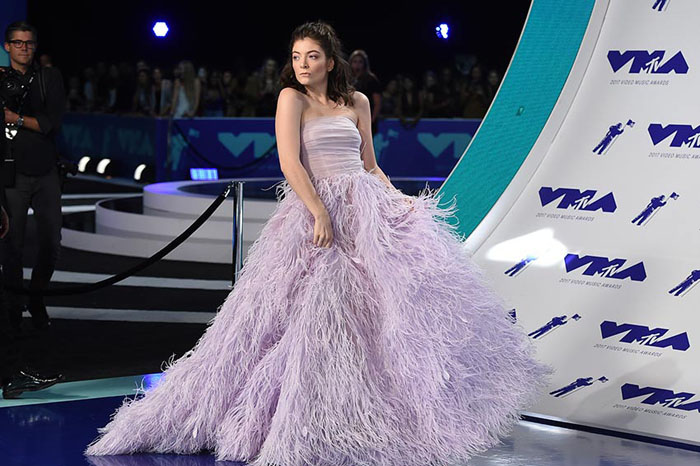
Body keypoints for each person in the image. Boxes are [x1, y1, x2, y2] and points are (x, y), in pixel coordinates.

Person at [84, 20, 552, 465]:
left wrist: (399, 201)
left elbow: (370, 164)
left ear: (330, 60)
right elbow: (290, 163)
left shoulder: (358, 102)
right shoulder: (292, 99)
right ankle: (290, 416)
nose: (303, 64)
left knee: (374, 315)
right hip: (314, 213)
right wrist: (318, 211)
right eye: (296, 56)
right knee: (301, 313)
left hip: (363, 212)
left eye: (312, 56)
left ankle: (360, 413)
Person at [1, 21, 66, 334]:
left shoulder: (48, 78)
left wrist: (15, 119)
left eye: (28, 43)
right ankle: (14, 308)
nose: (23, 48)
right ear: (7, 47)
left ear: (35, 46)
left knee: (51, 242)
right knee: (11, 245)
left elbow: (51, 123)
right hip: (10, 173)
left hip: (45, 170)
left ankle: (36, 298)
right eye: (17, 42)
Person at [349, 49, 381, 135]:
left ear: (364, 64)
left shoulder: (371, 79)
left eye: (360, 62)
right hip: (351, 119)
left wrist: (372, 120)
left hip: (367, 119)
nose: (357, 64)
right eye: (355, 62)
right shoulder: (348, 79)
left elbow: (377, 103)